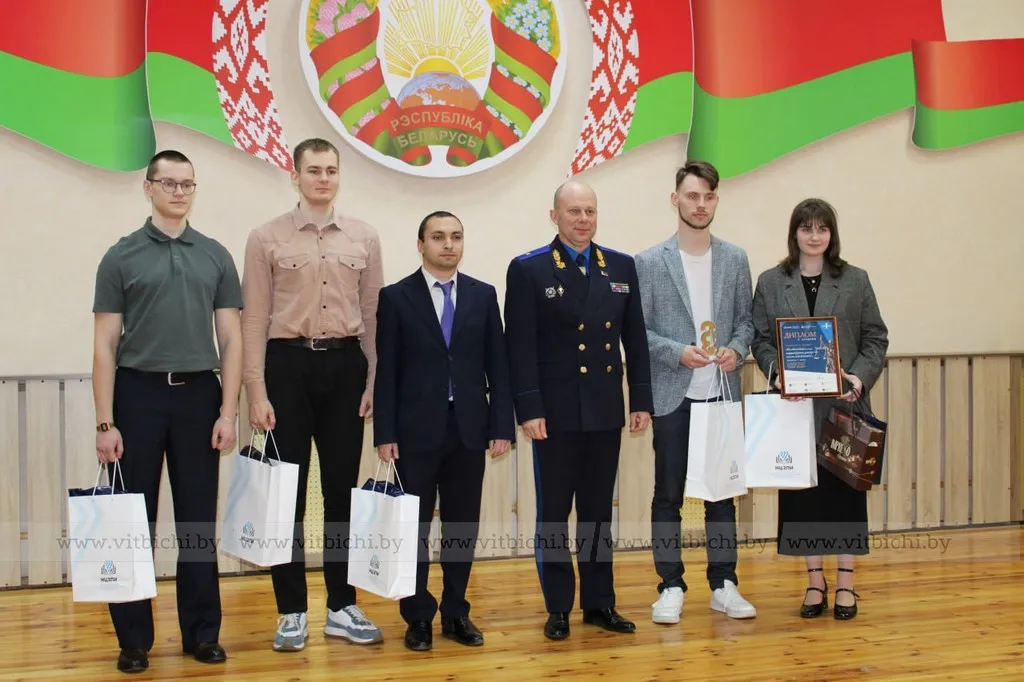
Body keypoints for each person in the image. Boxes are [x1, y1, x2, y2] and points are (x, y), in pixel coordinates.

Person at [92, 149, 242, 673]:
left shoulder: (216, 255)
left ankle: (203, 634)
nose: (179, 192)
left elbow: (231, 338)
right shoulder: (121, 256)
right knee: (132, 521)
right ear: (149, 188)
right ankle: (133, 640)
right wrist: (106, 422)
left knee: (198, 520)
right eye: (169, 183)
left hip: (200, 396)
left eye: (187, 184)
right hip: (137, 396)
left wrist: (228, 411)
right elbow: (105, 344)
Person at [240, 137, 385, 651]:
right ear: (295, 175)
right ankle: (291, 610)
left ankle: (342, 605)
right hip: (286, 368)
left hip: (346, 368)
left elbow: (373, 317)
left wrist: (374, 381)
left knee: (343, 493)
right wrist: (256, 391)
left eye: (331, 170)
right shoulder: (266, 237)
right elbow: (254, 319)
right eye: (314, 170)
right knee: (287, 496)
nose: (323, 178)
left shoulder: (364, 237)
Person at [504, 180, 653, 641]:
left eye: (589, 210)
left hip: (605, 409)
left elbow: (636, 339)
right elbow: (519, 347)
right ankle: (558, 607)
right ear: (555, 216)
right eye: (573, 211)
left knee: (597, 512)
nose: (583, 219)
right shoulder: (529, 269)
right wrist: (529, 408)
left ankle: (599, 602)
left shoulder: (621, 266)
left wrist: (641, 399)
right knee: (553, 513)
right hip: (555, 414)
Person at [373, 210, 515, 651]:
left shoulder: (482, 294)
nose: (448, 244)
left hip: (469, 429)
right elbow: (387, 370)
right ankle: (417, 616)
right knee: (412, 528)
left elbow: (498, 366)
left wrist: (502, 425)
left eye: (455, 236)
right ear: (421, 245)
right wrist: (385, 432)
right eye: (438, 237)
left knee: (461, 525)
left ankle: (456, 612)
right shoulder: (396, 297)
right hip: (414, 432)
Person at [750, 197, 889, 620]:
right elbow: (760, 340)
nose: (814, 236)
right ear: (794, 233)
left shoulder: (856, 280)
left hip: (844, 407)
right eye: (806, 228)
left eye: (822, 228)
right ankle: (815, 582)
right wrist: (778, 374)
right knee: (805, 498)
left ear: (832, 234)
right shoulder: (771, 282)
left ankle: (846, 582)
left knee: (845, 497)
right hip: (795, 411)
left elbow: (876, 338)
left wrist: (858, 378)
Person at [634, 160, 757, 624]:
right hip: (673, 394)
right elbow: (638, 333)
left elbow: (746, 322)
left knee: (722, 494)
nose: (700, 204)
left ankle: (724, 583)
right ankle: (670, 585)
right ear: (675, 200)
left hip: (721, 392)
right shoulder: (649, 262)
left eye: (708, 196)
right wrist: (676, 352)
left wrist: (736, 349)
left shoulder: (735, 258)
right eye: (692, 196)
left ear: (716, 201)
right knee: (667, 494)